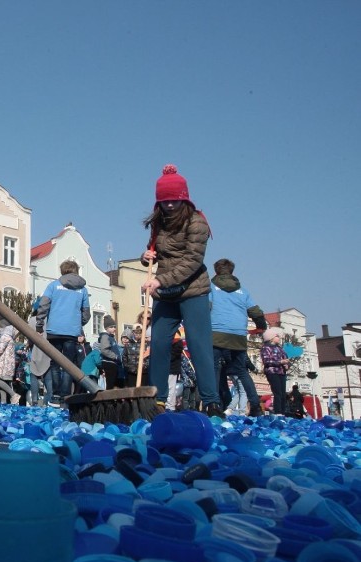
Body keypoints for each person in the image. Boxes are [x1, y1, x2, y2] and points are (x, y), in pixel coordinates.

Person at [141, 165, 221, 416]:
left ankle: (211, 400)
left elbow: (192, 261)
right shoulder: (159, 222)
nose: (170, 206)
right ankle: (158, 399)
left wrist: (160, 281)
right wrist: (145, 257)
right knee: (159, 343)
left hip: (193, 290)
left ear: (183, 198)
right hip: (166, 294)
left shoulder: (197, 222)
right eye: (165, 201)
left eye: (174, 200)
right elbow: (155, 253)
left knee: (199, 345)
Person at [209, 258, 267, 417]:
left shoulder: (211, 287)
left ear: (216, 271)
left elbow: (205, 307)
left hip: (216, 334)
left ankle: (213, 405)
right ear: (232, 271)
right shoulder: (243, 291)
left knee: (214, 369)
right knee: (241, 371)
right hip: (238, 335)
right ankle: (255, 405)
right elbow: (255, 311)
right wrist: (261, 325)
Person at [35, 260, 91, 400]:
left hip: (54, 330)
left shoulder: (54, 285)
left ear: (62, 270)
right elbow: (86, 312)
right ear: (76, 270)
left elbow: (43, 305)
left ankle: (54, 394)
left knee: (54, 363)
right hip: (71, 332)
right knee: (68, 363)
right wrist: (78, 324)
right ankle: (65, 395)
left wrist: (39, 325)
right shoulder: (82, 289)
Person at [261, 327, 290, 416]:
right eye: (277, 336)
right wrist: (280, 362)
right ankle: (278, 412)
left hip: (282, 372)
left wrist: (287, 365)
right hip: (272, 372)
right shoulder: (266, 348)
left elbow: (286, 359)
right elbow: (266, 361)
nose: (279, 338)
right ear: (271, 338)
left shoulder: (280, 349)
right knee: (277, 392)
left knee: (282, 393)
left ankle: (283, 411)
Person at [0, 324, 20, 405]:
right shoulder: (10, 338)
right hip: (7, 365)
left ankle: (13, 395)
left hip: (3, 364)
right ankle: (3, 402)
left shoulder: (4, 337)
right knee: (2, 383)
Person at [97, 316, 123, 389]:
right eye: (111, 327)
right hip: (109, 363)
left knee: (113, 383)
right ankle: (108, 399)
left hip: (113, 363)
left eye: (115, 327)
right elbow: (104, 350)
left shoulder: (111, 337)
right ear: (106, 328)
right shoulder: (105, 336)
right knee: (110, 384)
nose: (114, 329)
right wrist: (115, 356)